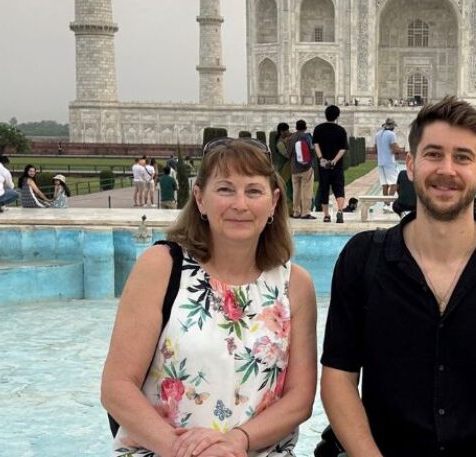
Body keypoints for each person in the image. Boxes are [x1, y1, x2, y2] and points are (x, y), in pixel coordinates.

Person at [320, 96, 476, 457]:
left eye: (462, 157)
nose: (447, 169)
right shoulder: (363, 258)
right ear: (411, 165)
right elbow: (339, 378)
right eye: (434, 154)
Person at [102, 137, 317, 457]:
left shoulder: (294, 285)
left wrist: (237, 441)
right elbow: (117, 387)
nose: (240, 204)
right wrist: (184, 449)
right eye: (225, 189)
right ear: (200, 199)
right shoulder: (161, 267)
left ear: (273, 202)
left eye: (253, 190)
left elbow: (299, 399)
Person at [313, 105, 349, 223]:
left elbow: (316, 145)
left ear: (326, 115)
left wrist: (321, 158)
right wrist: (334, 160)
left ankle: (327, 215)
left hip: (323, 166)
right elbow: (343, 149)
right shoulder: (341, 130)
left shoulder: (318, 129)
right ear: (337, 116)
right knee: (338, 188)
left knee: (324, 188)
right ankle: (339, 211)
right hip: (336, 166)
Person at [287, 120, 316, 220]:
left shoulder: (290, 138)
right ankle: (305, 212)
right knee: (306, 190)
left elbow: (288, 153)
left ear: (296, 127)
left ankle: (296, 211)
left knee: (296, 191)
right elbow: (312, 149)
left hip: (294, 168)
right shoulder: (306, 136)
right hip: (306, 167)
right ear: (305, 127)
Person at [374, 117, 402, 213]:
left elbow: (375, 149)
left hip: (380, 162)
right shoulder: (391, 134)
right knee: (394, 183)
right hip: (389, 162)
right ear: (392, 126)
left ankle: (385, 205)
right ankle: (388, 205)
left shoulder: (378, 134)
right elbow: (395, 149)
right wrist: (399, 149)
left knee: (385, 185)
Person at [274, 122, 294, 216]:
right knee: (286, 190)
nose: (288, 132)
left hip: (288, 168)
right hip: (283, 170)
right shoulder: (280, 143)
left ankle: (290, 210)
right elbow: (287, 155)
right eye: (286, 130)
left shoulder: (284, 141)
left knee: (290, 189)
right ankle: (286, 211)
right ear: (282, 131)